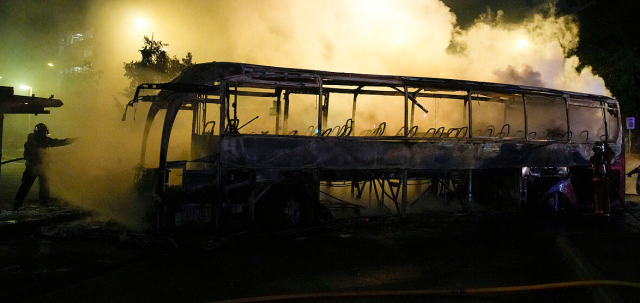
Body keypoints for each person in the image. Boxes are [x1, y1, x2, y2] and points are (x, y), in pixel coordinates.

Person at [11, 123, 75, 210]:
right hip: (32, 167)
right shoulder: (31, 143)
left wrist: (73, 140)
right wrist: (33, 157)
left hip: (43, 167)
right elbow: (26, 155)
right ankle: (17, 204)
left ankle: (43, 203)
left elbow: (59, 142)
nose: (44, 135)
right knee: (26, 186)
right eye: (43, 133)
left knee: (44, 186)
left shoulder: (44, 141)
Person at [590, 141, 613, 216]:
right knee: (602, 196)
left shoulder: (604, 157)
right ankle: (602, 212)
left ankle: (602, 212)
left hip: (603, 179)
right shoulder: (599, 158)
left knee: (601, 196)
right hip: (600, 179)